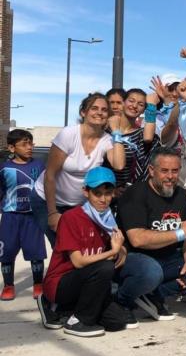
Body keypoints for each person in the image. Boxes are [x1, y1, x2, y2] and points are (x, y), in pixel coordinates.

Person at [115, 147, 186, 322]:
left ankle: (154, 294)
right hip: (135, 258)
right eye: (164, 171)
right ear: (151, 171)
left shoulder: (181, 195)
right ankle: (121, 300)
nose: (170, 176)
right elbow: (138, 239)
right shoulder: (135, 194)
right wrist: (179, 234)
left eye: (175, 171)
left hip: (169, 257)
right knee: (151, 272)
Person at [39, 167, 129, 336]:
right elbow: (78, 262)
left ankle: (68, 310)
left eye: (108, 193)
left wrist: (121, 250)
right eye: (97, 193)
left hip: (88, 282)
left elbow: (117, 245)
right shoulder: (71, 217)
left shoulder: (108, 218)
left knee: (117, 321)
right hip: (61, 282)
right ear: (85, 192)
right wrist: (112, 252)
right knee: (105, 267)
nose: (103, 199)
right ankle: (76, 320)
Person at [30, 93, 126, 246]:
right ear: (83, 112)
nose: (99, 112)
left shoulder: (107, 139)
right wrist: (53, 213)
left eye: (104, 110)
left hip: (77, 204)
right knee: (63, 248)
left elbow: (119, 164)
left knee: (81, 247)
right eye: (94, 108)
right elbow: (50, 175)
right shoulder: (68, 134)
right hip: (47, 200)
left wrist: (116, 132)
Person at [0, 129, 46, 300]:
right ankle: (8, 285)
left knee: (36, 251)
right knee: (6, 251)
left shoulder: (39, 165)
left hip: (33, 216)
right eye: (24, 144)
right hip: (10, 217)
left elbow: (46, 188)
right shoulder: (4, 168)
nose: (29, 147)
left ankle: (38, 284)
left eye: (31, 143)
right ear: (12, 148)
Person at [104, 87, 157, 195]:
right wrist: (111, 190)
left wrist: (152, 106)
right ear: (123, 103)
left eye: (141, 104)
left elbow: (148, 138)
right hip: (105, 192)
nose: (134, 106)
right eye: (131, 101)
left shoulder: (141, 134)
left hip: (133, 194)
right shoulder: (106, 130)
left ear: (144, 110)